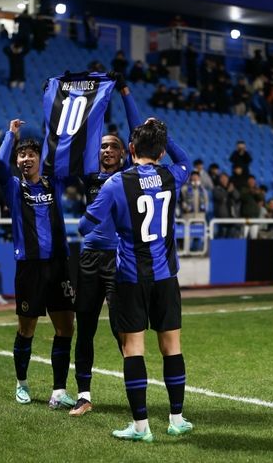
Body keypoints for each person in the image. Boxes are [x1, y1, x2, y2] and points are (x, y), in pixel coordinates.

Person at [79, 118, 193, 441]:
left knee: (134, 349)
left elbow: (85, 227)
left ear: (130, 150)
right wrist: (163, 137)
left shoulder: (116, 183)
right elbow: (185, 160)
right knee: (172, 347)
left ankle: (141, 426)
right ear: (159, 152)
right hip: (166, 276)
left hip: (129, 276)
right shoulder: (172, 175)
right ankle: (176, 418)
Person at [70, 73, 141, 417]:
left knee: (121, 328)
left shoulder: (130, 176)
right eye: (104, 146)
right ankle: (84, 395)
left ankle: (134, 399)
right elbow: (84, 130)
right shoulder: (90, 175)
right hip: (88, 259)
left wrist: (124, 93)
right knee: (84, 326)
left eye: (115, 146)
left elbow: (138, 130)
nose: (108, 150)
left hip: (119, 259)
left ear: (125, 153)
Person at [0, 119, 76, 409]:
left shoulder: (52, 182)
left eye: (31, 154)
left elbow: (65, 155)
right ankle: (21, 384)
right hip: (29, 267)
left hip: (59, 265)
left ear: (40, 158)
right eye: (21, 154)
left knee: (66, 327)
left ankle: (58, 391)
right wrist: (11, 135)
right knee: (26, 329)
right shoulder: (13, 187)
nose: (26, 158)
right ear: (17, 160)